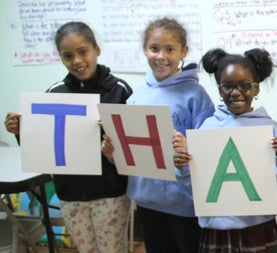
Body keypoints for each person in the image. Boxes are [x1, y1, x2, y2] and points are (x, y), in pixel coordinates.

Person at [4, 21, 133, 253]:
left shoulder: (120, 90)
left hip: (111, 191)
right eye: (67, 56)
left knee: (112, 249)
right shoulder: (55, 92)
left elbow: (134, 145)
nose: (77, 61)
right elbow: (41, 144)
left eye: (83, 51)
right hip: (70, 193)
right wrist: (20, 131)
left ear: (97, 49)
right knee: (84, 249)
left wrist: (113, 135)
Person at [170, 47, 277, 253]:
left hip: (258, 226)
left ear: (256, 89)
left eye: (244, 86)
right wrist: (182, 167)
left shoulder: (269, 127)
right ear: (219, 89)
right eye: (227, 86)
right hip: (218, 227)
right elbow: (195, 185)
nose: (236, 93)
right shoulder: (207, 127)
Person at [122, 17, 215, 253]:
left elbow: (209, 148)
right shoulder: (136, 97)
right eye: (154, 48)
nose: (161, 56)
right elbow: (130, 154)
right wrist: (114, 153)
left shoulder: (195, 95)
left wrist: (187, 147)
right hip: (147, 200)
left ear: (183, 51)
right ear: (145, 50)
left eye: (169, 49)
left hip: (185, 203)